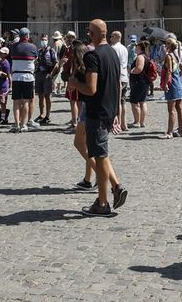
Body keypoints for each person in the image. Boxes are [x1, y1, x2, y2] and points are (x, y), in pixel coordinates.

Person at [71, 19, 127, 216]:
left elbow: (91, 88)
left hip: (96, 112)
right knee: (101, 155)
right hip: (109, 110)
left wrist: (74, 83)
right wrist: (117, 112)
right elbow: (118, 84)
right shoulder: (113, 52)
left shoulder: (92, 56)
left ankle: (103, 204)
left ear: (91, 34)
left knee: (101, 158)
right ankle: (106, 195)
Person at [8, 28, 37, 132]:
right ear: (27, 36)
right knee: (25, 102)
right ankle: (24, 124)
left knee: (16, 102)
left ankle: (16, 124)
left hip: (16, 77)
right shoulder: (32, 47)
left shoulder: (13, 47)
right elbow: (35, 58)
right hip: (28, 77)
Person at [161, 36, 182, 138]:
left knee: (171, 109)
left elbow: (169, 71)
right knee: (180, 108)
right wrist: (178, 75)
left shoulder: (169, 56)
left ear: (169, 45)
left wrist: (167, 84)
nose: (164, 45)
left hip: (172, 84)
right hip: (178, 83)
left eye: (165, 44)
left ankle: (169, 132)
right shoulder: (176, 55)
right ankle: (181, 131)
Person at [127, 38, 152, 129]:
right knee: (142, 101)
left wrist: (131, 71)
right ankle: (142, 122)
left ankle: (137, 121)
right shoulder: (146, 56)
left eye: (137, 48)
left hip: (139, 82)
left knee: (134, 102)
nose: (135, 49)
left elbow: (139, 69)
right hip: (144, 82)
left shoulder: (140, 57)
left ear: (140, 48)